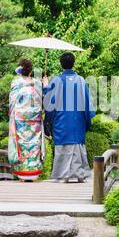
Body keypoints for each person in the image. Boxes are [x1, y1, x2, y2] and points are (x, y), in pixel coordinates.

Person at [43, 52, 96, 183]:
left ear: (61, 64)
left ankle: (63, 175)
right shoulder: (81, 80)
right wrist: (87, 120)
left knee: (63, 145)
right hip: (78, 120)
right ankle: (80, 174)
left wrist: (45, 85)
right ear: (73, 63)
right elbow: (87, 102)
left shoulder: (56, 80)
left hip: (61, 119)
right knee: (77, 145)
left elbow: (49, 102)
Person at [8, 59, 45, 181]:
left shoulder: (16, 83)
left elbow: (12, 102)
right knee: (34, 145)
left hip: (20, 119)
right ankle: (34, 174)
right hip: (35, 120)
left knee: (22, 145)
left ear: (20, 70)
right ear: (30, 71)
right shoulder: (37, 83)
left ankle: (22, 174)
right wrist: (46, 83)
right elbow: (42, 100)